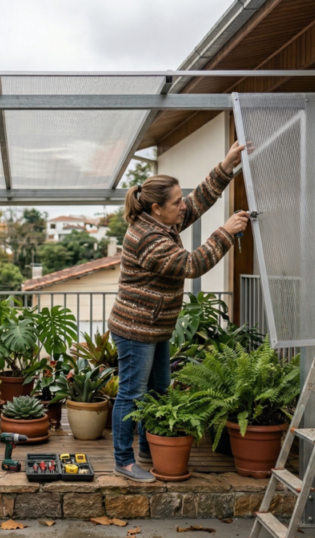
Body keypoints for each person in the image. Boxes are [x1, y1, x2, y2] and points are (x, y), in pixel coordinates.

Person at [106, 140, 250, 482]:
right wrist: (225, 233)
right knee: (131, 394)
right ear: (157, 208)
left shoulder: (162, 223)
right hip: (136, 331)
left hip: (156, 327)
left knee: (158, 392)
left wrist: (227, 165)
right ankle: (123, 461)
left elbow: (197, 201)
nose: (182, 206)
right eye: (175, 202)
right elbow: (191, 264)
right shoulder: (147, 238)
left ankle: (147, 449)